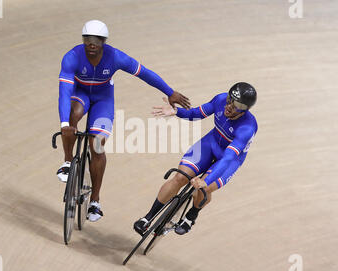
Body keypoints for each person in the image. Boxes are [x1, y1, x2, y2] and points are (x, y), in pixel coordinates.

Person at [57, 20, 190, 222]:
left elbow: (144, 73)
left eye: (96, 40)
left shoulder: (115, 57)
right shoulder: (72, 57)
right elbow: (64, 93)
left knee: (98, 144)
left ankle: (94, 200)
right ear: (83, 40)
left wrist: (169, 92)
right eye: (88, 40)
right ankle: (67, 162)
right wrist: (65, 126)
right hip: (80, 94)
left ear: (103, 42)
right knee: (73, 114)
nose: (91, 44)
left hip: (103, 100)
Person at [133, 82, 258, 235]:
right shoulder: (220, 99)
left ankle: (192, 215)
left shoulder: (247, 128)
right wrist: (176, 111)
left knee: (203, 188)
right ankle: (148, 218)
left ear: (245, 110)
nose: (230, 106)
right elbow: (195, 114)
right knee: (179, 177)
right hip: (211, 143)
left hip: (230, 158)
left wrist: (206, 180)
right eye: (230, 100)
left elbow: (227, 158)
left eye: (237, 105)